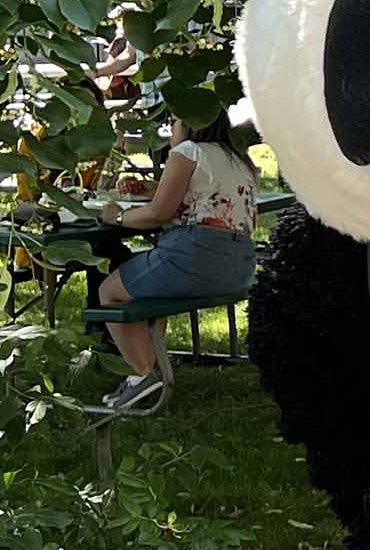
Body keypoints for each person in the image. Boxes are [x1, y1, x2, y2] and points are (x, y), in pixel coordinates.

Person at [90, 103, 260, 409]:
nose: (172, 129)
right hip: (239, 264)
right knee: (151, 288)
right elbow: (205, 196)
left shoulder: (188, 152)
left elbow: (159, 213)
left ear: (192, 124)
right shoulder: (239, 159)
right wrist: (155, 187)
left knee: (110, 291)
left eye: (176, 121)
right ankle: (151, 366)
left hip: (196, 256)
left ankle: (144, 374)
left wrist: (115, 217)